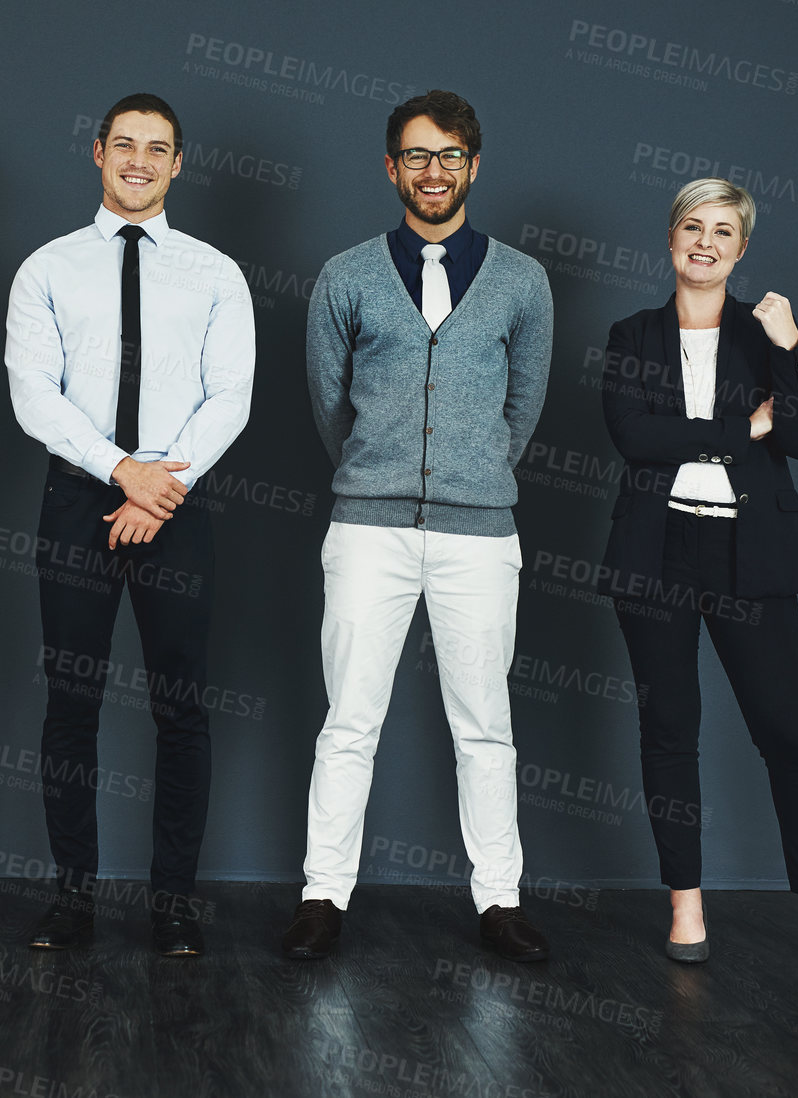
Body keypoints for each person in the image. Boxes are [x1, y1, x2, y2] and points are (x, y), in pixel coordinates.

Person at [284, 90, 553, 963]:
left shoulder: (521, 281)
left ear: (474, 165)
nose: (432, 172)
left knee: (485, 722)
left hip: (482, 532)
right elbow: (330, 405)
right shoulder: (346, 276)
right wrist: (380, 473)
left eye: (449, 156)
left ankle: (500, 901)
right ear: (390, 167)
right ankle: (323, 897)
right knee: (349, 719)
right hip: (369, 528)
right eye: (415, 156)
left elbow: (524, 407)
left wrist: (474, 477)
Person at [4, 92, 254, 957]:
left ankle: (173, 904)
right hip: (80, 499)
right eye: (124, 145)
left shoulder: (216, 272)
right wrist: (122, 473)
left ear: (179, 163)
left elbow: (231, 396)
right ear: (98, 152)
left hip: (177, 505)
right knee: (71, 704)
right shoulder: (46, 268)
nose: (139, 161)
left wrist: (159, 489)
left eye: (158, 149)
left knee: (180, 710)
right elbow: (33, 393)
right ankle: (72, 897)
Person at [597, 178, 798, 969]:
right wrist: (742, 427)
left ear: (741, 250)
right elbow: (634, 437)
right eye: (692, 227)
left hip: (753, 554)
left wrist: (791, 350)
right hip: (657, 552)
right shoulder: (631, 335)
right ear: (671, 240)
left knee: (788, 733)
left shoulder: (764, 334)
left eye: (723, 231)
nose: (705, 242)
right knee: (670, 731)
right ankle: (687, 907)